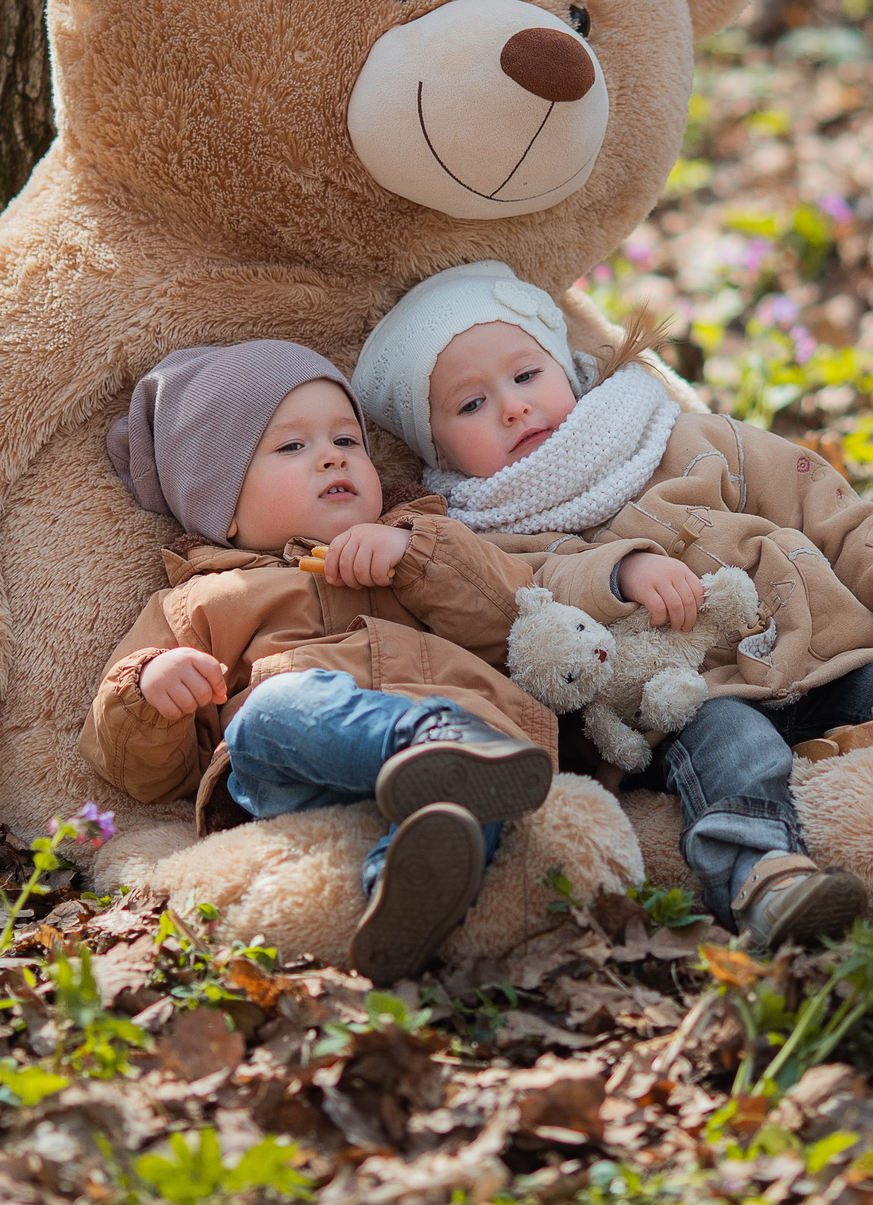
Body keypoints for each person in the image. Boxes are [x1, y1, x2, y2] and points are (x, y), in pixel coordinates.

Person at [352, 264, 873, 950]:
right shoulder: (486, 527)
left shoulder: (688, 437)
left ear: (570, 367)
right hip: (691, 698)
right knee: (735, 753)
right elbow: (521, 598)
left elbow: (828, 506)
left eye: (527, 375)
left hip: (825, 654)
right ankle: (765, 876)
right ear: (438, 447)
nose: (514, 408)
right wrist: (617, 571)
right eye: (472, 403)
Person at [80, 340, 559, 982]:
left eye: (346, 439)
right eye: (291, 446)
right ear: (222, 508)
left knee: (469, 801)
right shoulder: (202, 600)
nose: (334, 455)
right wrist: (149, 692)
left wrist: (415, 557)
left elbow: (513, 622)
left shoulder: (426, 541)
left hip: (468, 723)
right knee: (270, 710)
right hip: (291, 776)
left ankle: (406, 887)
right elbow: (140, 773)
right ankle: (436, 759)